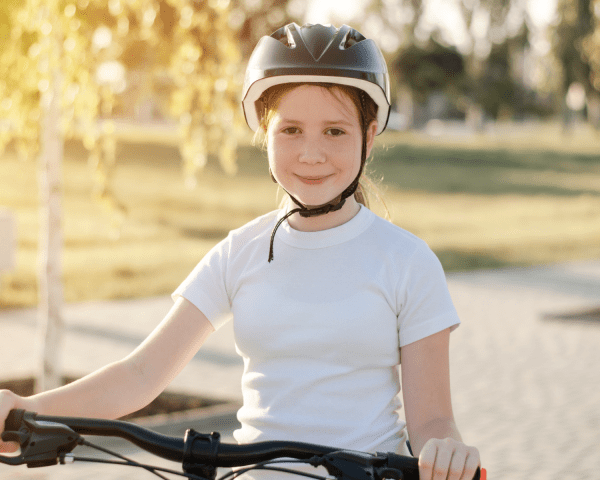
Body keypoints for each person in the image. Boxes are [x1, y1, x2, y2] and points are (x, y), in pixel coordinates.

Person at [0, 23, 480, 480]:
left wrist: (446, 450)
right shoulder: (240, 253)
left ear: (369, 136)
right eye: (290, 130)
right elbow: (141, 374)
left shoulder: (407, 262)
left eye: (335, 131)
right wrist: (27, 409)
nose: (312, 154)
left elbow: (433, 421)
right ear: (264, 135)